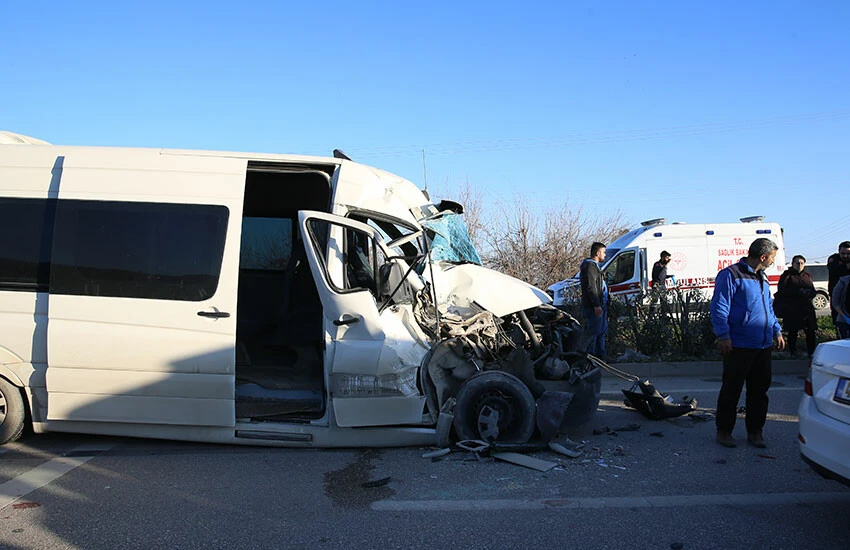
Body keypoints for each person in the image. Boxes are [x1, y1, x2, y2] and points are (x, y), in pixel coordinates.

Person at [710, 238, 785, 449]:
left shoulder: (762, 277)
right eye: (772, 257)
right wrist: (723, 336)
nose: (772, 261)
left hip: (762, 346)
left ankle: (755, 431)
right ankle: (724, 431)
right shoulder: (731, 275)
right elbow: (719, 307)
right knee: (731, 390)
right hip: (738, 346)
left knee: (759, 392)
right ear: (763, 256)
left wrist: (776, 330)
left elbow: (768, 308)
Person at [776, 255, 817, 356]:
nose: (799, 265)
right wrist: (797, 292)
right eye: (797, 263)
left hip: (807, 308)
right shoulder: (787, 276)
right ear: (792, 264)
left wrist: (809, 293)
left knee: (811, 331)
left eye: (802, 263)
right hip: (792, 308)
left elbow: (813, 291)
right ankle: (793, 351)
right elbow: (782, 290)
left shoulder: (807, 276)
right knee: (793, 331)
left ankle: (811, 352)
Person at [580, 241, 608, 358]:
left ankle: (601, 356)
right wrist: (596, 305)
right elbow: (591, 287)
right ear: (597, 253)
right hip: (594, 307)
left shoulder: (595, 267)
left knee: (601, 332)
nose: (605, 255)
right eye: (603, 252)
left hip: (601, 305)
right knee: (594, 333)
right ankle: (593, 358)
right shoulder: (589, 267)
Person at [827, 241, 850, 338]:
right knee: (839, 322)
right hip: (837, 295)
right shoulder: (833, 259)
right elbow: (836, 270)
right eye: (843, 253)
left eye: (848, 254)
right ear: (838, 252)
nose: (846, 256)